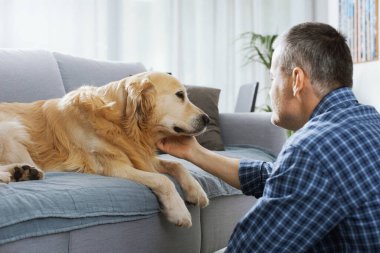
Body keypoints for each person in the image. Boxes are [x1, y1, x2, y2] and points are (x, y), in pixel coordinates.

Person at [157, 22, 380, 252]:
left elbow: (249, 248)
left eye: (273, 78)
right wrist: (195, 152)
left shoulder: (312, 149)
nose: (271, 88)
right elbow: (275, 177)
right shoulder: (371, 122)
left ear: (297, 80)